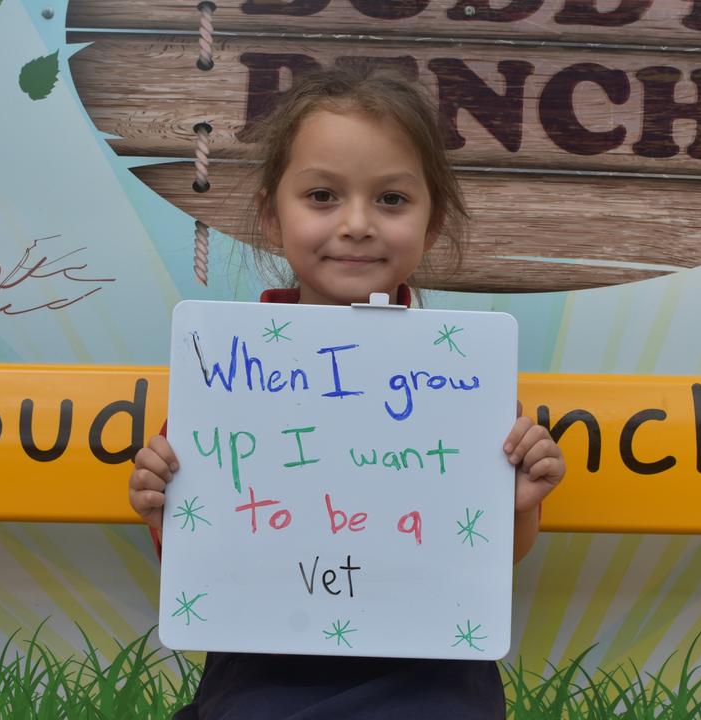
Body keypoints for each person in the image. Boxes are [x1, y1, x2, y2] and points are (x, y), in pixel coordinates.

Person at [129, 66, 565, 719]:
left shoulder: (462, 376)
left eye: (391, 200)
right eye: (323, 196)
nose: (357, 223)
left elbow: (491, 556)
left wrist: (522, 503)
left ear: (432, 223)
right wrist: (162, 503)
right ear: (272, 218)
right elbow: (200, 555)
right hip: (263, 671)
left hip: (433, 678)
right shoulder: (225, 370)